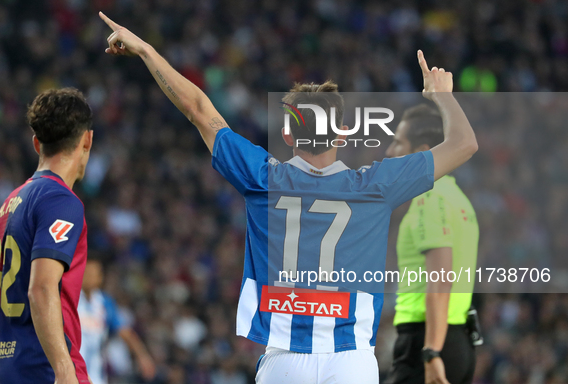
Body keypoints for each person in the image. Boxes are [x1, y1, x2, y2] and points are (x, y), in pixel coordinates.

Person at [98, 12, 478, 383]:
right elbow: (464, 143)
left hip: (283, 360)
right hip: (351, 361)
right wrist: (441, 95)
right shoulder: (376, 185)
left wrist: (146, 50)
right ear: (342, 134)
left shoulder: (263, 177)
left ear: (288, 135)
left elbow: (198, 109)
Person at [0, 88, 93, 384]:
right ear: (87, 140)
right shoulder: (60, 200)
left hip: (5, 366)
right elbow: (42, 288)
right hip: (45, 365)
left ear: (37, 143)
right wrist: (63, 369)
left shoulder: (8, 205)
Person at [385, 104, 479, 384]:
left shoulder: (430, 197)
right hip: (456, 338)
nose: (390, 152)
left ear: (421, 151)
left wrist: (430, 353)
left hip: (426, 341)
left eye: (398, 142)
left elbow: (441, 279)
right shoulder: (456, 196)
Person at [78, 255, 156, 384]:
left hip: (96, 375)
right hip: (70, 373)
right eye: (86, 272)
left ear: (100, 277)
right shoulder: (68, 300)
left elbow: (125, 332)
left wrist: (142, 356)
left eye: (93, 273)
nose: (89, 277)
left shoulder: (105, 302)